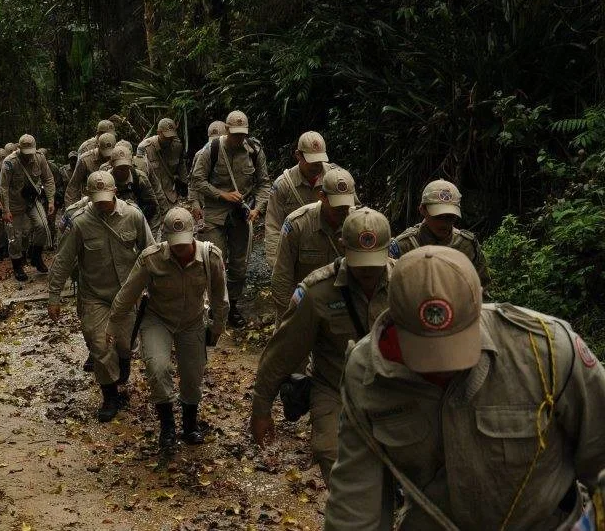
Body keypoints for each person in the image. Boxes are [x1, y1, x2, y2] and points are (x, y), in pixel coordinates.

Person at [324, 245, 605, 530]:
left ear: (479, 304)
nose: (444, 366)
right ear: (393, 317)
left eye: (455, 345)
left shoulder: (546, 351)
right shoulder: (367, 372)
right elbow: (356, 503)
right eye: (426, 352)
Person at [252, 207, 394, 483]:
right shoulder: (317, 292)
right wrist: (261, 409)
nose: (367, 270)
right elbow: (282, 353)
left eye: (374, 261)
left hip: (390, 387)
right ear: (342, 246)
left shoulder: (406, 283)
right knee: (330, 452)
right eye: (360, 260)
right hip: (334, 386)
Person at [108, 208, 229, 453]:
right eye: (175, 245)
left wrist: (217, 328)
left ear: (193, 236)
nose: (180, 250)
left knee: (192, 375)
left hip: (192, 321)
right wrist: (113, 323)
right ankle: (167, 426)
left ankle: (190, 423)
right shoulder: (150, 258)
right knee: (158, 367)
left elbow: (220, 297)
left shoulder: (210, 257)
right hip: (158, 319)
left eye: (184, 244)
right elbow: (128, 292)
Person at [48, 171, 155, 422]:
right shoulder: (80, 223)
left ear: (115, 192)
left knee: (124, 345)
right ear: (89, 196)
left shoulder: (133, 216)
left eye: (106, 198)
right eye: (97, 199)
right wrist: (54, 297)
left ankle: (123, 363)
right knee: (99, 346)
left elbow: (151, 252)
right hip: (94, 295)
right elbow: (63, 261)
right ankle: (109, 396)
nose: (103, 203)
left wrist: (156, 287)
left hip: (126, 295)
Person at [189, 111, 271, 328]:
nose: (238, 139)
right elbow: (197, 180)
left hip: (242, 214)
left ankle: (232, 304)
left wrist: (258, 209)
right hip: (215, 213)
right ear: (226, 130)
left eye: (242, 134)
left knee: (239, 265)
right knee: (215, 261)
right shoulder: (211, 150)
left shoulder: (254, 150)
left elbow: (264, 183)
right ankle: (215, 307)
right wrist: (221, 194)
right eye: (234, 134)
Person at [271, 168, 355, 325]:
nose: (342, 210)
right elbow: (282, 276)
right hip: (304, 306)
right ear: (322, 196)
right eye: (336, 204)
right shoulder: (298, 224)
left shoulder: (358, 225)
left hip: (341, 311)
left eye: (346, 204)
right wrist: (286, 319)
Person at [389, 179, 489, 287]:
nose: (444, 223)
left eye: (450, 216)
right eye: (438, 216)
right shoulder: (404, 246)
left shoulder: (467, 246)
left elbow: (482, 289)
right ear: (422, 209)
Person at [265, 131, 340, 267]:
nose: (317, 165)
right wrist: (275, 263)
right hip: (297, 258)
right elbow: (273, 225)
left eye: (320, 160)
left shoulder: (337, 179)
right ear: (298, 155)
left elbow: (352, 215)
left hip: (331, 256)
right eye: (312, 160)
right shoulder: (283, 185)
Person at [0, 134, 56, 281]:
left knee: (42, 226)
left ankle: (36, 256)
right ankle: (17, 265)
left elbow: (48, 179)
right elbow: (3, 188)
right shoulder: (9, 163)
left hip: (31, 200)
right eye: (26, 152)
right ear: (19, 148)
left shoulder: (40, 158)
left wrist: (50, 200)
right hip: (14, 202)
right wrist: (5, 210)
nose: (29, 156)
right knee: (15, 236)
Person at [137, 117, 189, 210]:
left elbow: (181, 166)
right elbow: (141, 175)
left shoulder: (177, 146)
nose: (169, 140)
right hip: (152, 198)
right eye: (166, 137)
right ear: (158, 132)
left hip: (171, 197)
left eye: (171, 137)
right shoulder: (144, 148)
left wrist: (184, 184)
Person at [106, 145, 162, 226]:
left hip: (138, 222)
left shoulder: (140, 178)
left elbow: (153, 207)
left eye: (126, 167)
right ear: (111, 164)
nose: (123, 171)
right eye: (119, 168)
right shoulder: (106, 179)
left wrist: (150, 235)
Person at [65, 132, 116, 205]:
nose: (107, 157)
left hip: (111, 202)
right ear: (98, 146)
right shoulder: (85, 159)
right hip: (90, 202)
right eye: (105, 152)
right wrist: (70, 209)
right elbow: (73, 185)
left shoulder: (117, 158)